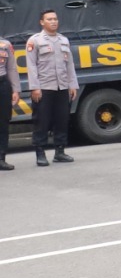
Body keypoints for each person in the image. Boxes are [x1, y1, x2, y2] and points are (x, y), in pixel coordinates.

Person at [26, 9, 78, 167]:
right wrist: (35, 87)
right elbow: (31, 66)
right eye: (49, 19)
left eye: (55, 18)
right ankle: (40, 153)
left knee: (62, 120)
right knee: (41, 121)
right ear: (42, 22)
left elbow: (69, 64)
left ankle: (60, 152)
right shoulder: (35, 41)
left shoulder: (64, 40)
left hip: (61, 87)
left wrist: (72, 84)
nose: (53, 21)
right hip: (44, 87)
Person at [0, 35, 18, 171]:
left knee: (3, 122)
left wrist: (15, 90)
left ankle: (1, 158)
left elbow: (11, 68)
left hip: (3, 85)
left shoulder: (5, 44)